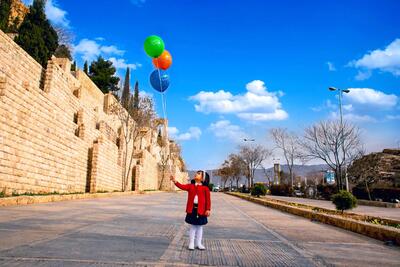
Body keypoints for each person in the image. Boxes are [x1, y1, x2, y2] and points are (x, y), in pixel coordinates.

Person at [170, 170, 211, 250]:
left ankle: (199, 243)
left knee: (199, 227)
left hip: (201, 210)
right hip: (192, 209)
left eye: (199, 174)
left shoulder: (205, 188)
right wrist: (175, 181)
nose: (196, 174)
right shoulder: (190, 186)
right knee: (193, 226)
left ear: (203, 178)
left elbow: (208, 200)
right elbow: (182, 186)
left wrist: (208, 209)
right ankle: (191, 243)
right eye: (196, 173)